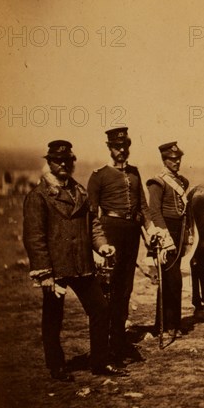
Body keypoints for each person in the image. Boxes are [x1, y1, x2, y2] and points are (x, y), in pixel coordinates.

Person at [23, 140, 128, 381]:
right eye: (57, 161)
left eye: (67, 161)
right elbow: (34, 238)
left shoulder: (79, 191)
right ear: (49, 163)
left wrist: (102, 246)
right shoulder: (38, 196)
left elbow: (93, 225)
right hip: (55, 268)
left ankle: (100, 362)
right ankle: (56, 366)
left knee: (100, 309)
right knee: (53, 317)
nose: (62, 164)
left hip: (82, 265)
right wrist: (45, 273)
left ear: (72, 163)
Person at [87, 127, 154, 366]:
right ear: (109, 148)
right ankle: (104, 345)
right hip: (110, 231)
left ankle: (119, 340)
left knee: (125, 288)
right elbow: (91, 214)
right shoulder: (99, 175)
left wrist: (151, 228)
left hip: (132, 232)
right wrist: (98, 246)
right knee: (109, 287)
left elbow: (143, 207)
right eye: (117, 147)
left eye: (125, 146)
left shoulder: (134, 173)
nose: (122, 150)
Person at [146, 142, 190, 340]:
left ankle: (168, 324)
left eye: (178, 158)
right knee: (171, 280)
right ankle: (167, 325)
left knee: (172, 279)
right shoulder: (157, 182)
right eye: (172, 159)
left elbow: (183, 212)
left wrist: (187, 232)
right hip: (166, 233)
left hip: (179, 230)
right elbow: (154, 211)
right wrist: (164, 237)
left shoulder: (182, 182)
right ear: (164, 160)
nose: (177, 161)